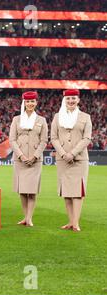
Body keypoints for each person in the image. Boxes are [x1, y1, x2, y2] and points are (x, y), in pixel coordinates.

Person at [51, 89, 92, 232]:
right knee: (67, 193)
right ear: (64, 100)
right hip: (63, 160)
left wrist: (72, 153)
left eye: (73, 98)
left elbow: (87, 138)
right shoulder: (57, 117)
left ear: (78, 100)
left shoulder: (86, 117)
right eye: (68, 99)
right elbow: (53, 138)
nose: (71, 101)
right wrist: (63, 154)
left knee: (78, 192)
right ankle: (70, 221)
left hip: (79, 159)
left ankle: (76, 223)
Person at [9, 91, 48, 227]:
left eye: (32, 101)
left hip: (35, 161)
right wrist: (21, 155)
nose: (30, 104)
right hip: (20, 160)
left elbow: (44, 141)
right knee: (22, 190)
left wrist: (35, 156)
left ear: (36, 103)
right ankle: (25, 217)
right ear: (24, 103)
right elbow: (12, 140)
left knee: (31, 191)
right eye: (27, 101)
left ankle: (29, 218)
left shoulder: (42, 120)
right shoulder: (16, 119)